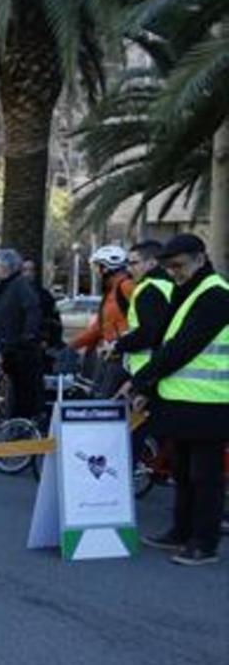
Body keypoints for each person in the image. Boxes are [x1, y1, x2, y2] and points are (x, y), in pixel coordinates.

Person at [125, 234, 227, 566]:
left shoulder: (215, 296)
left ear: (201, 258)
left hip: (211, 404)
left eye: (179, 266)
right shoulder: (189, 291)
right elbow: (166, 343)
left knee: (205, 476)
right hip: (183, 400)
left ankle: (204, 543)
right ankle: (181, 532)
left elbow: (181, 348)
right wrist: (150, 390)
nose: (174, 273)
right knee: (182, 472)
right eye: (169, 267)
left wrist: (140, 381)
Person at [0, 249, 43, 423]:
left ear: (6, 267)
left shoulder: (19, 286)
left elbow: (32, 310)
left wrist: (28, 336)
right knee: (14, 393)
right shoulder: (3, 286)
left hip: (20, 350)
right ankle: (12, 427)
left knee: (21, 395)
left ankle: (18, 430)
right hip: (8, 346)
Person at [69, 245, 135, 396]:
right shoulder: (111, 292)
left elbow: (145, 318)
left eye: (98, 267)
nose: (97, 272)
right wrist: (72, 346)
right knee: (98, 395)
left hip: (125, 356)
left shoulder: (126, 286)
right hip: (112, 355)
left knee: (106, 401)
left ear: (107, 268)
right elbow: (99, 327)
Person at [112, 240, 173, 378]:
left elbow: (148, 334)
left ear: (152, 263)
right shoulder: (170, 285)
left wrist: (118, 345)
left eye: (134, 263)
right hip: (164, 368)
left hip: (148, 369)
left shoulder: (148, 289)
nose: (129, 269)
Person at [20, 259, 63, 350]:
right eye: (25, 270)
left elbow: (55, 321)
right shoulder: (14, 295)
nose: (28, 274)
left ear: (35, 273)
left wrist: (47, 340)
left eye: (31, 270)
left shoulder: (45, 296)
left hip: (39, 345)